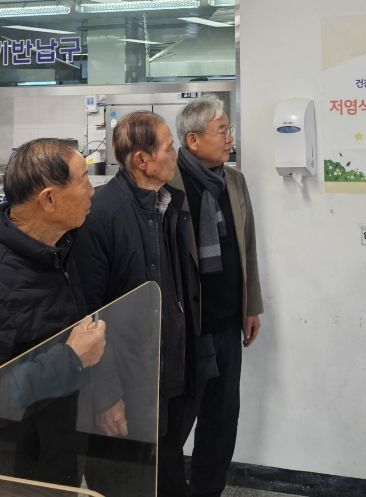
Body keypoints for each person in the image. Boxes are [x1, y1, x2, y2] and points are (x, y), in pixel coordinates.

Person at [73, 112, 215, 497]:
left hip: (170, 377)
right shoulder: (103, 215)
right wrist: (107, 395)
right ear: (141, 160)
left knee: (166, 473)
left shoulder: (167, 205)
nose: (176, 154)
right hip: (130, 386)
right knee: (127, 482)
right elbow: (89, 314)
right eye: (169, 147)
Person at [0, 138, 106, 486]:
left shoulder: (59, 248)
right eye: (83, 180)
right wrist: (71, 359)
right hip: (18, 473)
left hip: (59, 448)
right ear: (48, 199)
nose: (92, 191)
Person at [173, 96, 263, 497]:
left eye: (229, 130)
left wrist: (251, 305)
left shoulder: (234, 181)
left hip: (227, 322)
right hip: (186, 328)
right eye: (222, 131)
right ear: (193, 140)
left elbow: (248, 246)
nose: (230, 138)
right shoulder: (169, 182)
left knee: (222, 420)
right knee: (177, 422)